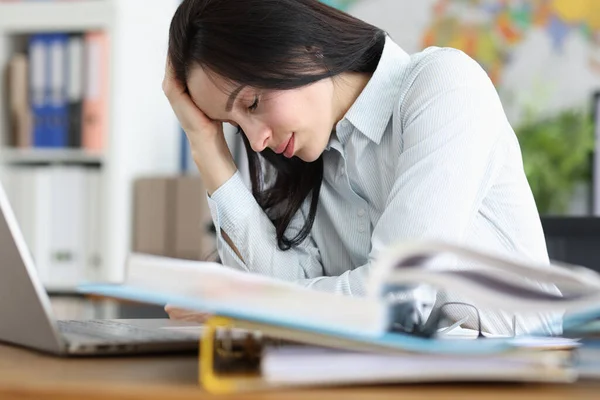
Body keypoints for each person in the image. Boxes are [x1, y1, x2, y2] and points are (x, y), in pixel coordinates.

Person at [162, 0, 561, 335]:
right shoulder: (296, 155)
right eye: (233, 125)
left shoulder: (444, 87)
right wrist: (206, 144)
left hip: (514, 378)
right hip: (380, 375)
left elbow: (398, 300)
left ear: (303, 47)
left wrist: (246, 304)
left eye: (251, 104)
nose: (255, 141)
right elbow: (280, 294)